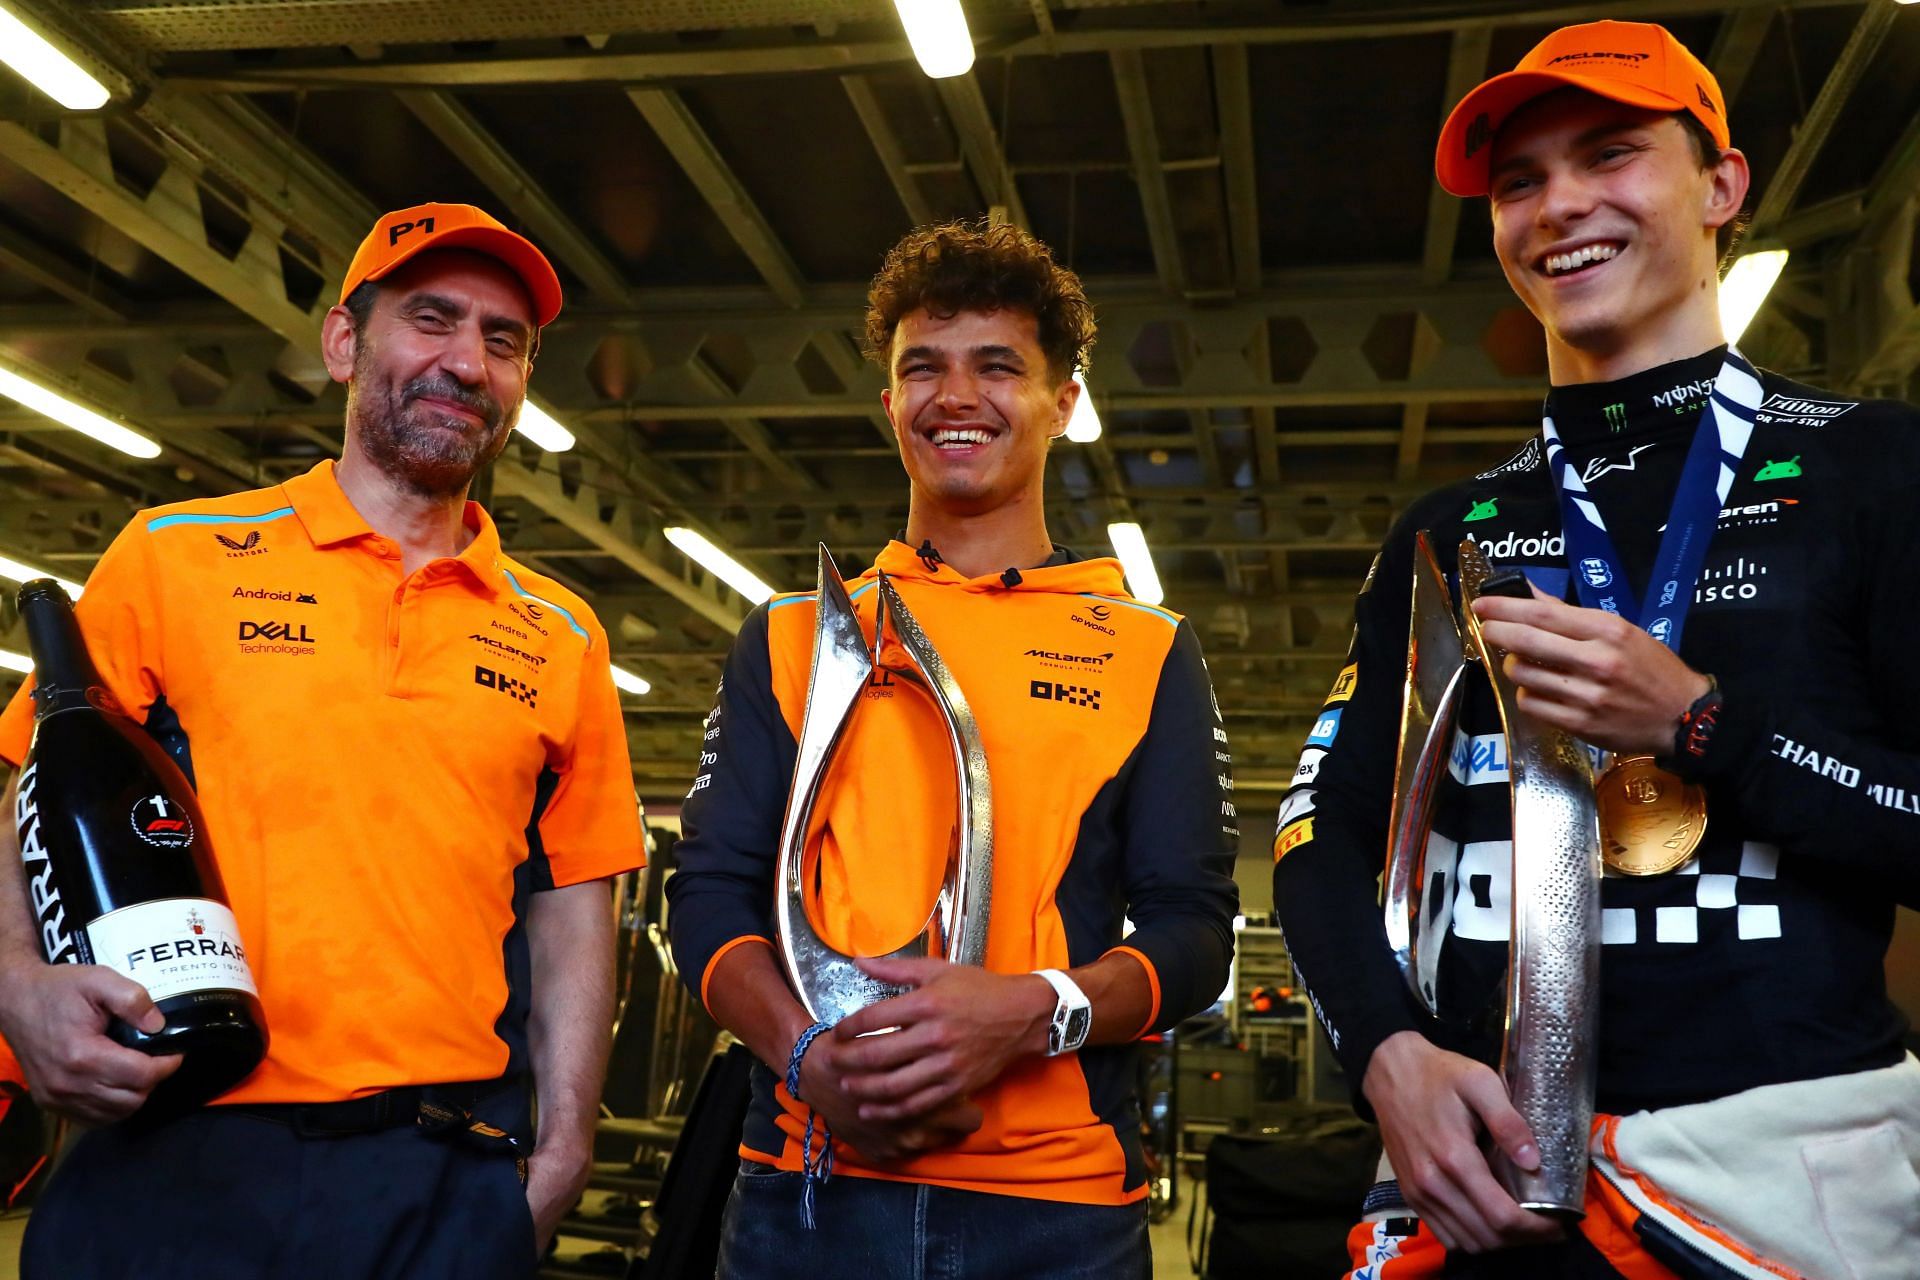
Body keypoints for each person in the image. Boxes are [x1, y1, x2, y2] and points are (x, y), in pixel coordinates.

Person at [1271, 22, 1920, 1279]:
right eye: (1520, 181)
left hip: (1781, 1192)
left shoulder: (1869, 466)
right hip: (1479, 1190)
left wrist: (1700, 723)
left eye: (1612, 154)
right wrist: (1382, 1052)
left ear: (1722, 187)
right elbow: (1314, 827)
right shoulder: (1450, 531)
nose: (1560, 203)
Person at [0, 202, 645, 1279]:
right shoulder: (176, 558)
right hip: (177, 1144)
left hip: (441, 1177)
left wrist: (567, 1144)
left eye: (503, 339)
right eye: (431, 319)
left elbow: (576, 900)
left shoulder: (562, 633)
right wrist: (15, 985)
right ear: (345, 342)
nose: (467, 362)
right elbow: (24, 786)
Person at [665, 219, 1239, 1278]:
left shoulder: (1147, 647)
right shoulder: (795, 634)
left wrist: (1035, 1011)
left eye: (997, 366)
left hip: (1059, 1213)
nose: (955, 396)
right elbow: (706, 896)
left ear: (1064, 400)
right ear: (888, 399)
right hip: (808, 1186)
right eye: (921, 367)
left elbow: (1194, 931)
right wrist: (804, 1053)